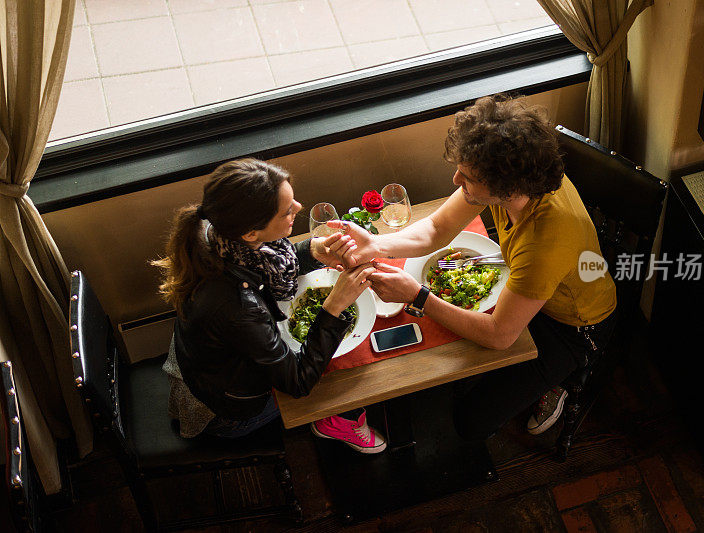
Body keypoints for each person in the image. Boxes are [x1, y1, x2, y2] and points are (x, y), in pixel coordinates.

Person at [331, 95, 618, 441]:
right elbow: (437, 229)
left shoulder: (545, 240)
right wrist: (376, 245)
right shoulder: (512, 184)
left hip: (572, 327)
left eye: (466, 175)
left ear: (506, 187)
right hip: (527, 292)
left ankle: (562, 382)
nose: (455, 180)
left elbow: (499, 334)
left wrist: (417, 296)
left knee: (472, 419)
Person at [152, 158, 386, 454]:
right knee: (349, 382)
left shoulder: (218, 233)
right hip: (228, 411)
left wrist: (314, 250)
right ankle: (332, 422)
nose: (299, 208)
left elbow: (264, 267)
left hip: (208, 365)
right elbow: (298, 381)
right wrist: (335, 305)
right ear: (251, 232)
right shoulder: (237, 307)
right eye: (287, 210)